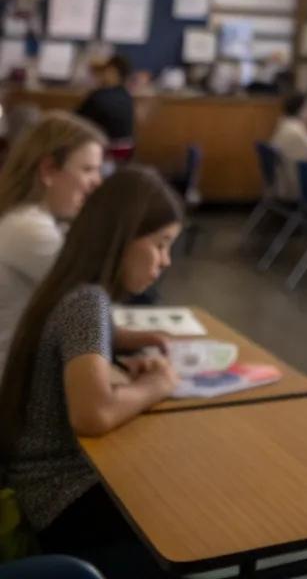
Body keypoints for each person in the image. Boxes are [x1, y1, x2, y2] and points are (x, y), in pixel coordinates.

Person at [0, 167, 183, 579]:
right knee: (179, 519)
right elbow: (93, 415)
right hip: (59, 500)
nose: (164, 261)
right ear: (124, 237)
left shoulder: (71, 288)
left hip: (40, 487)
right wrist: (155, 385)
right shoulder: (87, 300)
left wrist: (119, 353)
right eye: (160, 245)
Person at [0, 113, 107, 374]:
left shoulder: (40, 221)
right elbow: (96, 296)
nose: (98, 182)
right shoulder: (28, 228)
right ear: (48, 170)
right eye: (88, 169)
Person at [269, 91, 307, 200]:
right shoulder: (295, 132)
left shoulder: (287, 125)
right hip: (296, 185)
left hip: (286, 179)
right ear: (301, 110)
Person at [76, 54, 136, 144]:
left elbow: (76, 122)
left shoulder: (99, 97)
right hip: (125, 151)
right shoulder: (127, 97)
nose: (102, 74)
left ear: (112, 72)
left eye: (105, 70)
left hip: (104, 151)